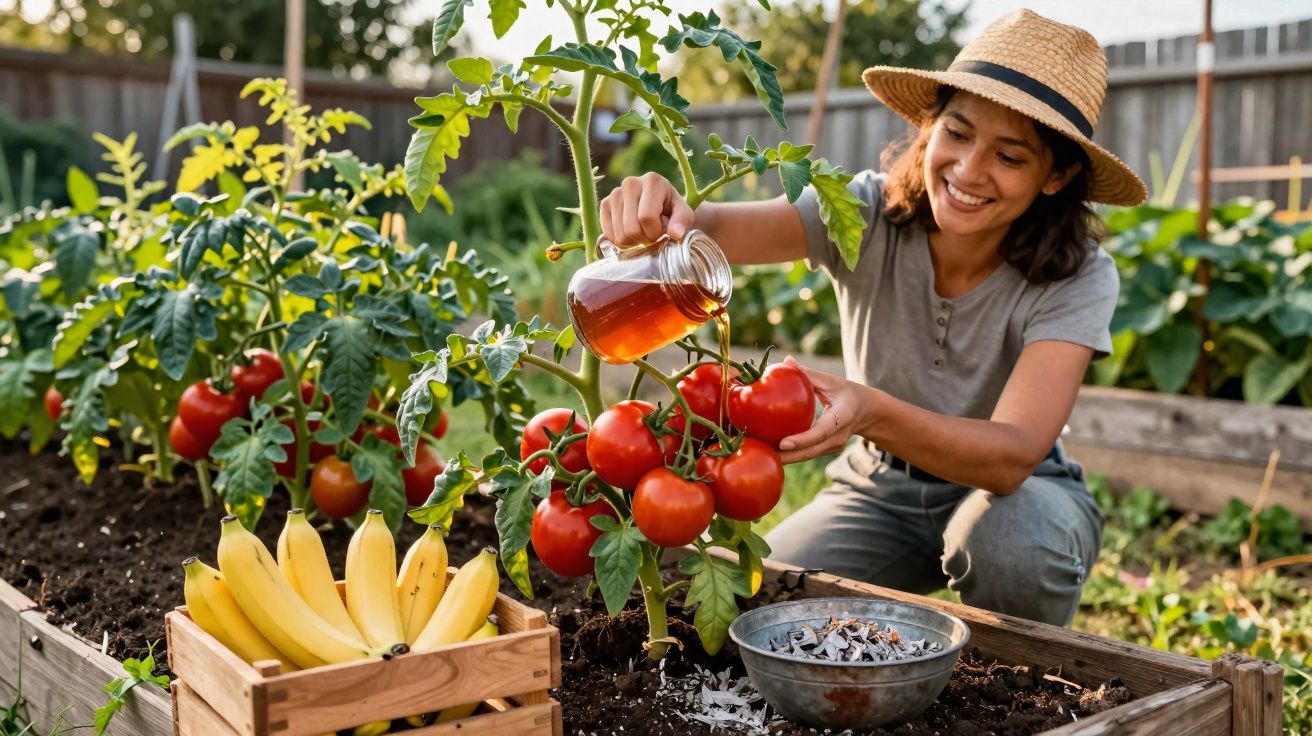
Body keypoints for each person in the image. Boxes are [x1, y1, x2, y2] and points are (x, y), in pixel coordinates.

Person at [597, 9, 1148, 627]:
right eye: (958, 133)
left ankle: (1028, 695)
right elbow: (717, 229)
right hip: (878, 491)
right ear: (928, 129)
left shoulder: (1079, 273)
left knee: (1015, 549)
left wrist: (871, 409)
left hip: (1017, 497)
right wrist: (664, 209)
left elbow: (1012, 455)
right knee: (753, 606)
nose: (969, 170)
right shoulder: (862, 210)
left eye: (1010, 157)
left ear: (1057, 176)